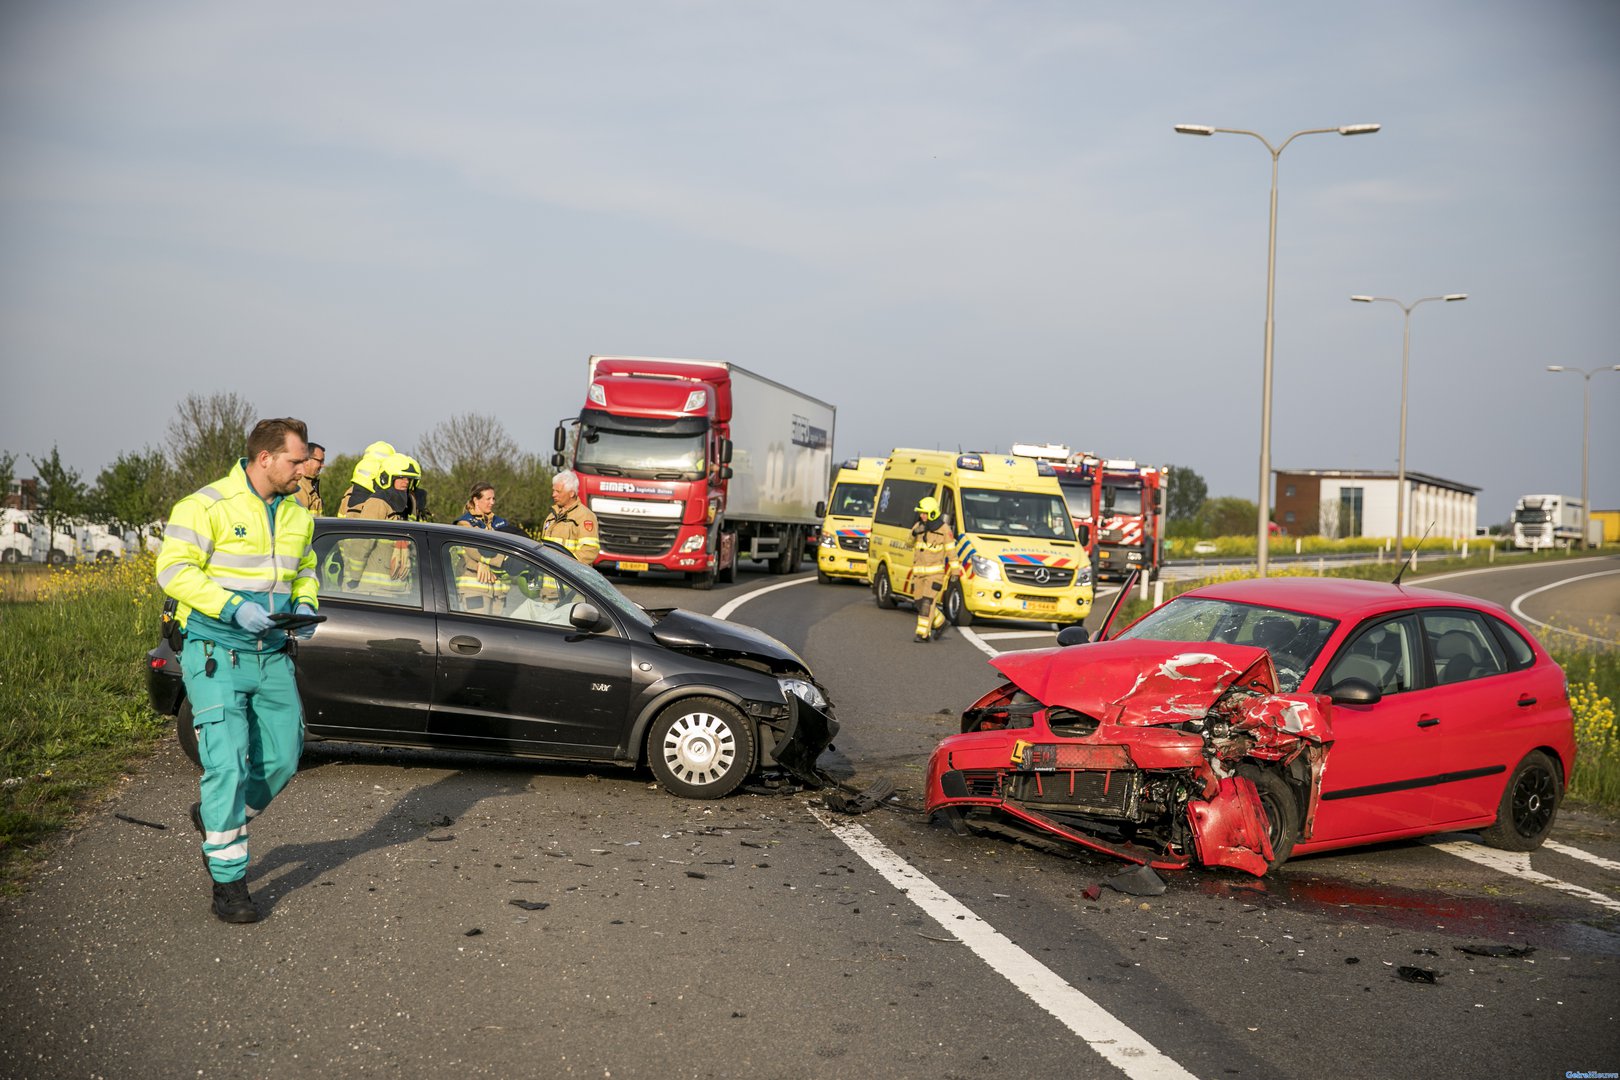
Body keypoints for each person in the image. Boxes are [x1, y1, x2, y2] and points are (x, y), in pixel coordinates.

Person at [155, 417, 319, 924]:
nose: (305, 469)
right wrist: (232, 608)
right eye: (296, 460)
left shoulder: (299, 516)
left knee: (284, 757)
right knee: (227, 766)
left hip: (272, 654)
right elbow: (173, 570)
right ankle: (229, 883)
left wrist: (306, 605)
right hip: (215, 652)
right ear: (265, 458)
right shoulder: (205, 506)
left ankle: (216, 818)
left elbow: (305, 570)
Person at [338, 453, 416, 595]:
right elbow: (363, 542)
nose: (406, 482)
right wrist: (354, 577)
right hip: (373, 591)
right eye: (401, 477)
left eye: (408, 479)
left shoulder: (404, 505)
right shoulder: (377, 502)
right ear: (388, 478)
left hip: (396, 588)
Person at [452, 482, 511, 614]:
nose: (492, 502)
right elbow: (472, 549)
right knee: (477, 627)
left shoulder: (500, 522)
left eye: (493, 498)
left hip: (498, 590)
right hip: (474, 588)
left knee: (497, 628)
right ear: (476, 500)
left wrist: (484, 562)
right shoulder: (464, 523)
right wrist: (486, 562)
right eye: (488, 499)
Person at [909, 495, 958, 643]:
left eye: (924, 513)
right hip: (919, 574)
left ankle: (923, 634)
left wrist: (955, 572)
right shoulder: (918, 526)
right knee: (919, 602)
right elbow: (908, 543)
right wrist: (914, 533)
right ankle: (941, 623)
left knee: (927, 604)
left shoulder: (944, 530)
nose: (922, 516)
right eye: (921, 513)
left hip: (935, 575)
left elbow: (951, 552)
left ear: (932, 513)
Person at [542, 470, 600, 564]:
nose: (553, 495)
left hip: (567, 572)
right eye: (553, 490)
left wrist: (567, 566)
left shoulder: (585, 516)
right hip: (548, 571)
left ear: (571, 493)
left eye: (558, 491)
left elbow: (589, 551)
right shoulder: (551, 516)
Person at [293, 441, 325, 515]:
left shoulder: (309, 486)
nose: (323, 465)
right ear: (306, 460)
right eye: (320, 461)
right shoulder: (298, 487)